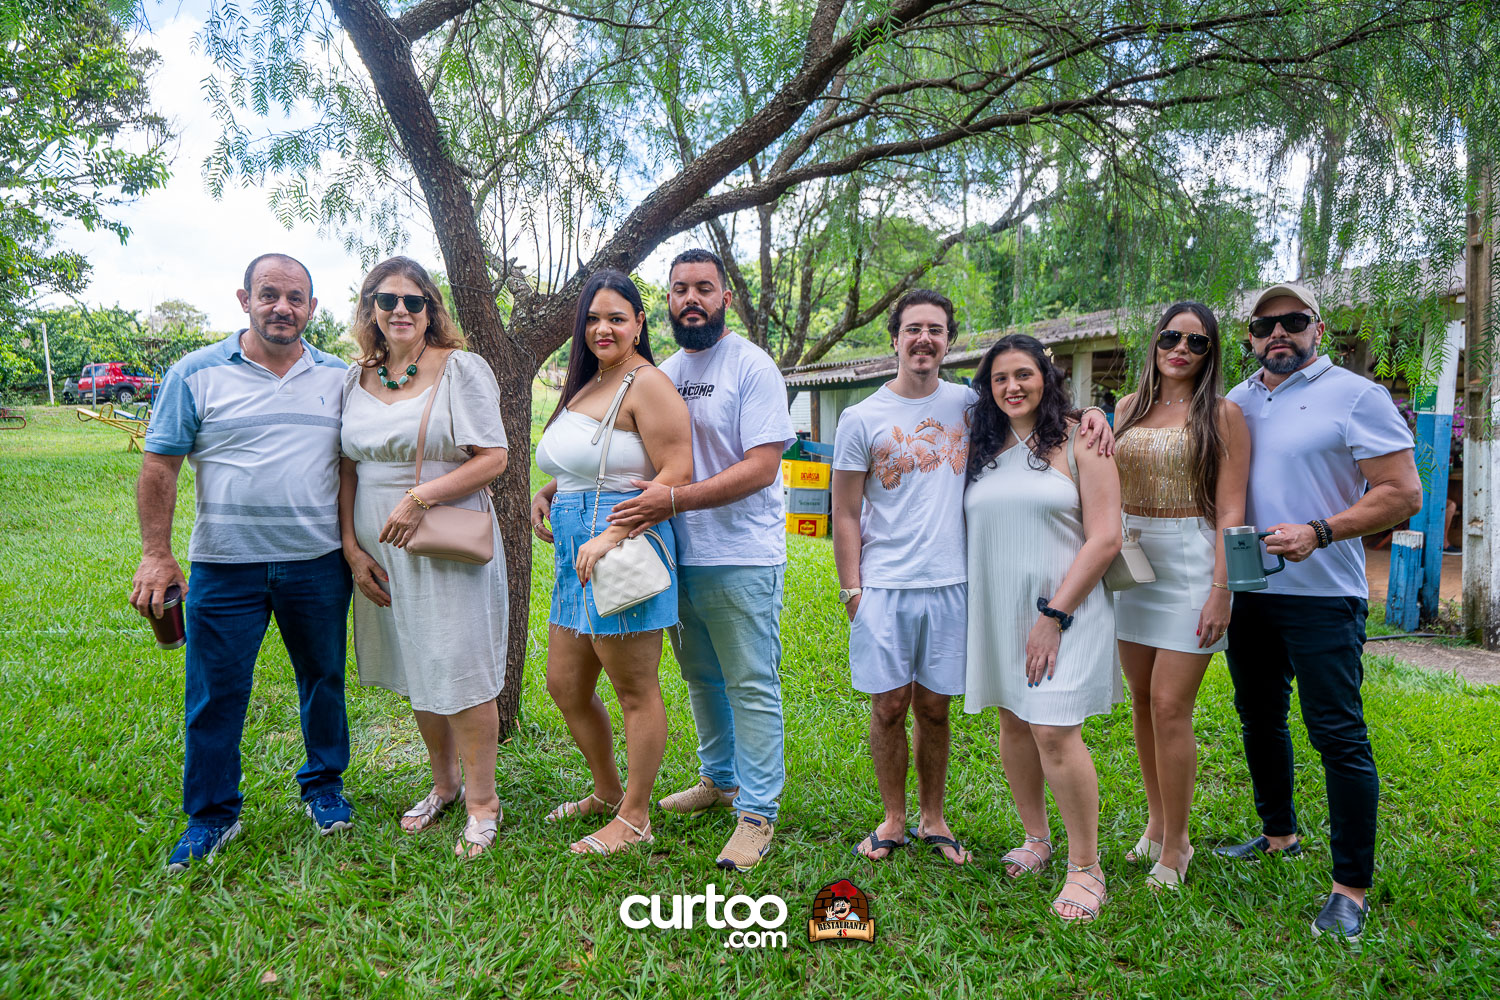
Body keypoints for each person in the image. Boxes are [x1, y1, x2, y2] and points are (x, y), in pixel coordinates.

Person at [131, 253, 354, 872]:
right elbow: (159, 466)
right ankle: (211, 815)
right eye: (269, 294)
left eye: (296, 297)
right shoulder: (195, 373)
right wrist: (156, 554)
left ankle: (324, 787)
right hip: (224, 566)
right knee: (214, 693)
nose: (282, 307)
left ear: (312, 307)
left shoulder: (339, 377)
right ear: (244, 299)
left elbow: (351, 466)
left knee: (324, 680)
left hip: (316, 562)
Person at [1217, 282, 1421, 940]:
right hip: (1251, 591)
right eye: (1264, 325)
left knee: (1337, 734)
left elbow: (1402, 493)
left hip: (1325, 594)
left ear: (1319, 328)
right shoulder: (1238, 401)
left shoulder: (1357, 396)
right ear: (1250, 338)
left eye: (1293, 320)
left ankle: (1349, 889)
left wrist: (1321, 531)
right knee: (1259, 717)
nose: (1278, 332)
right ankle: (1279, 834)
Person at [606, 248, 796, 872]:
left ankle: (758, 811)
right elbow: (635, 452)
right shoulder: (660, 373)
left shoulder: (751, 366)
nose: (691, 299)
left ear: (725, 298)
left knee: (750, 682)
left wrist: (674, 500)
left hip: (741, 554)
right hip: (675, 554)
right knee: (700, 676)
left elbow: (762, 467)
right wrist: (563, 486)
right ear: (667, 300)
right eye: (680, 289)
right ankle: (719, 780)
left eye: (704, 288)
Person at [338, 256, 510, 859]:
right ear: (370, 309)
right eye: (387, 300)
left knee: (459, 665)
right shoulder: (355, 378)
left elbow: (494, 457)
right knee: (417, 663)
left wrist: (420, 497)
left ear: (431, 310)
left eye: (413, 301)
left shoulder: (460, 368)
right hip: (380, 544)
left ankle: (483, 802)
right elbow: (347, 469)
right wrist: (352, 549)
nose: (400, 311)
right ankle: (444, 784)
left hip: (443, 534)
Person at [529, 270, 692, 855]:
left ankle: (636, 815)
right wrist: (551, 489)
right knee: (566, 684)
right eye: (594, 318)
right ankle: (605, 792)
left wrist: (612, 534)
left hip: (622, 544)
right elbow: (593, 458)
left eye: (617, 318)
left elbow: (677, 471)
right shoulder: (590, 381)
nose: (604, 328)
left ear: (639, 323)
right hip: (575, 549)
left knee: (634, 689)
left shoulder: (648, 384)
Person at [963, 334, 1122, 922]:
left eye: (1024, 374)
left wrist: (1053, 617)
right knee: (1013, 719)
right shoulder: (981, 443)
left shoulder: (1082, 438)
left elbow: (1106, 537)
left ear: (1046, 378)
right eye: (1000, 378)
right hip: (998, 608)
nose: (1012, 387)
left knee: (1053, 731)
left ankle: (1086, 866)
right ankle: (1036, 838)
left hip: (1064, 610)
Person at [1112, 302, 1251, 890]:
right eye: (1171, 337)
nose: (1181, 350)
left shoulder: (1223, 415)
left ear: (1210, 354)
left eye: (1196, 343)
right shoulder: (1126, 408)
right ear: (1156, 342)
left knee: (1171, 706)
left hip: (1194, 563)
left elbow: (1233, 511)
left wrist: (1223, 589)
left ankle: (1178, 844)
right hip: (1133, 562)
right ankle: (1155, 822)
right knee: (1142, 700)